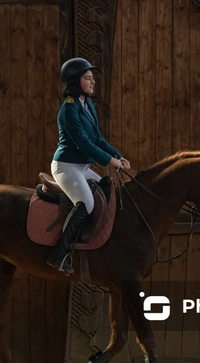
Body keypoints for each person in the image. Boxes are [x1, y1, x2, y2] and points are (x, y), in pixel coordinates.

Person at [46, 57, 130, 275]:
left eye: (92, 78)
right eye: (88, 78)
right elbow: (83, 143)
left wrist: (118, 156)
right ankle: (59, 254)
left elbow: (98, 139)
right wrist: (109, 161)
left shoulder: (87, 104)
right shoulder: (69, 109)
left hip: (82, 167)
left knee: (106, 189)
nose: (93, 82)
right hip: (66, 166)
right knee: (87, 203)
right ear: (76, 81)